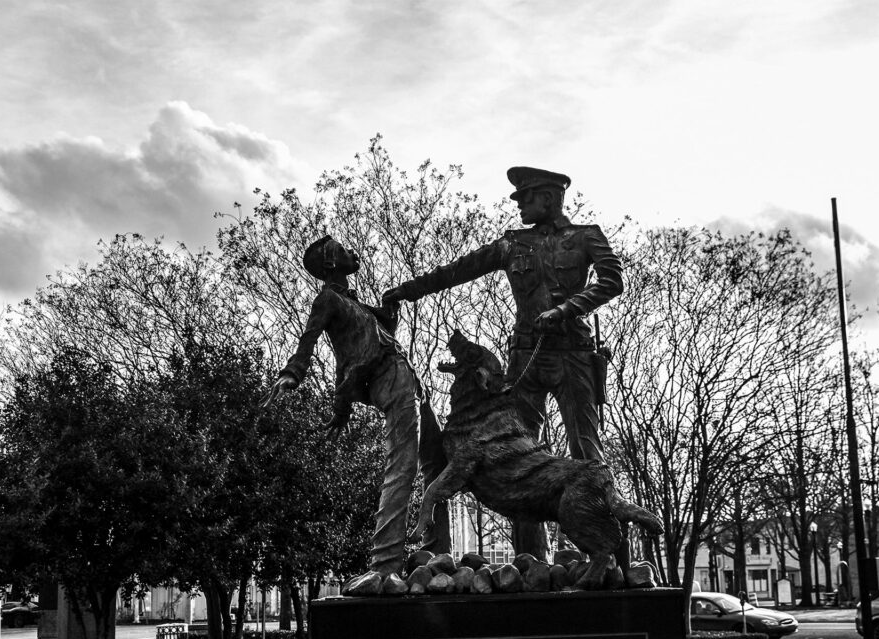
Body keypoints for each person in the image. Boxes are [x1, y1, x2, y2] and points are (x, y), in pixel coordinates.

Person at [383, 166, 623, 560]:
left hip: (574, 356)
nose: (521, 207)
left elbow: (612, 281)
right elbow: (457, 270)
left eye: (526, 199)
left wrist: (566, 309)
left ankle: (610, 554)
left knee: (587, 449)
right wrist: (407, 291)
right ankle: (532, 560)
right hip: (525, 357)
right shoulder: (512, 244)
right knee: (516, 457)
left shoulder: (586, 236)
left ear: (548, 197)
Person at [262, 234, 450, 578]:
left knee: (437, 461)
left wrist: (389, 311)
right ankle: (385, 563)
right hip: (388, 379)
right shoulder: (329, 300)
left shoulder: (358, 305)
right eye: (343, 250)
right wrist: (292, 373)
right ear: (332, 263)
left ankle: (439, 550)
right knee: (402, 466)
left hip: (408, 378)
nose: (353, 252)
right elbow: (308, 339)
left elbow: (375, 333)